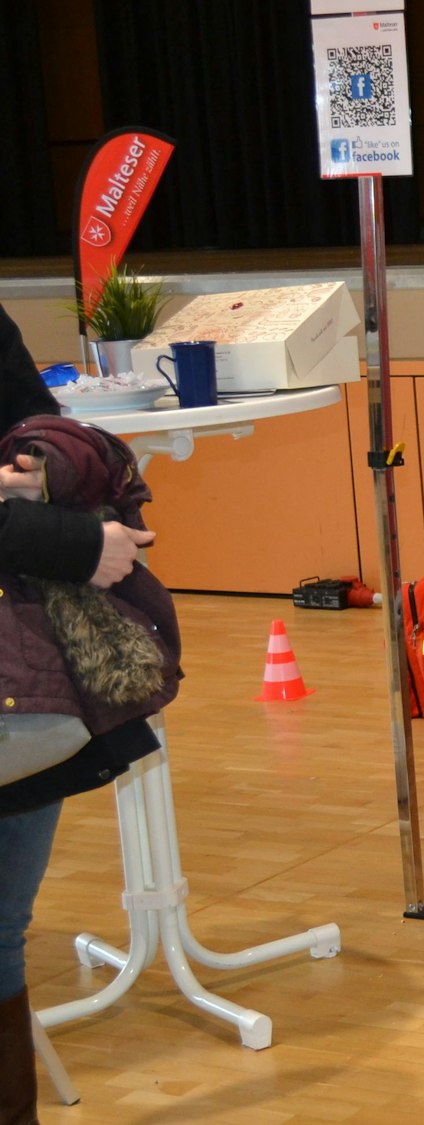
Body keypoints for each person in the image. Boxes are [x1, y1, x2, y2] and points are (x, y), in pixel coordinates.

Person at [0, 301, 165, 1121]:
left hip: (20, 681)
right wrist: (63, 544)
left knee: (2, 931)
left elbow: (48, 424)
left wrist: (44, 469)